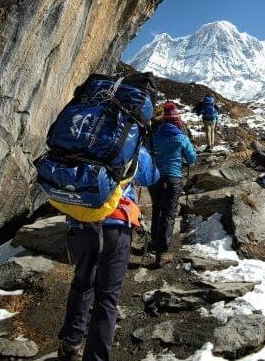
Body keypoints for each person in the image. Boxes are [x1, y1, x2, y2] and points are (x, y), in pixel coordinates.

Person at [58, 148, 158, 361]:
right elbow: (150, 176)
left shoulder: (83, 137)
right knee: (106, 298)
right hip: (116, 224)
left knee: (82, 282)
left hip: (81, 223)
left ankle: (71, 343)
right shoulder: (129, 141)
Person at [150, 104, 196, 267]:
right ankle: (161, 253)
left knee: (156, 208)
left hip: (155, 178)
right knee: (169, 214)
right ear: (177, 122)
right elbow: (192, 158)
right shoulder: (181, 138)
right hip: (173, 178)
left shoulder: (154, 136)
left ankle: (154, 241)